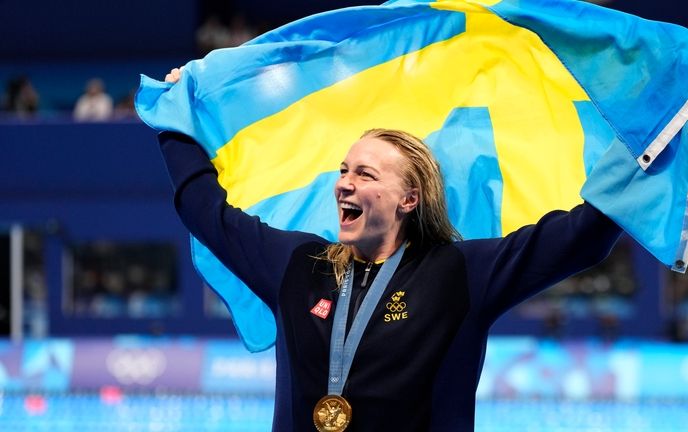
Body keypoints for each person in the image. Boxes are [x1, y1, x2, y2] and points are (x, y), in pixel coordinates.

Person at [159, 67, 622, 431]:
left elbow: (583, 235)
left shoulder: (460, 273)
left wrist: (658, 138)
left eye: (365, 173)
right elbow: (206, 211)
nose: (344, 183)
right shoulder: (299, 265)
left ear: (409, 199)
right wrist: (175, 122)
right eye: (343, 170)